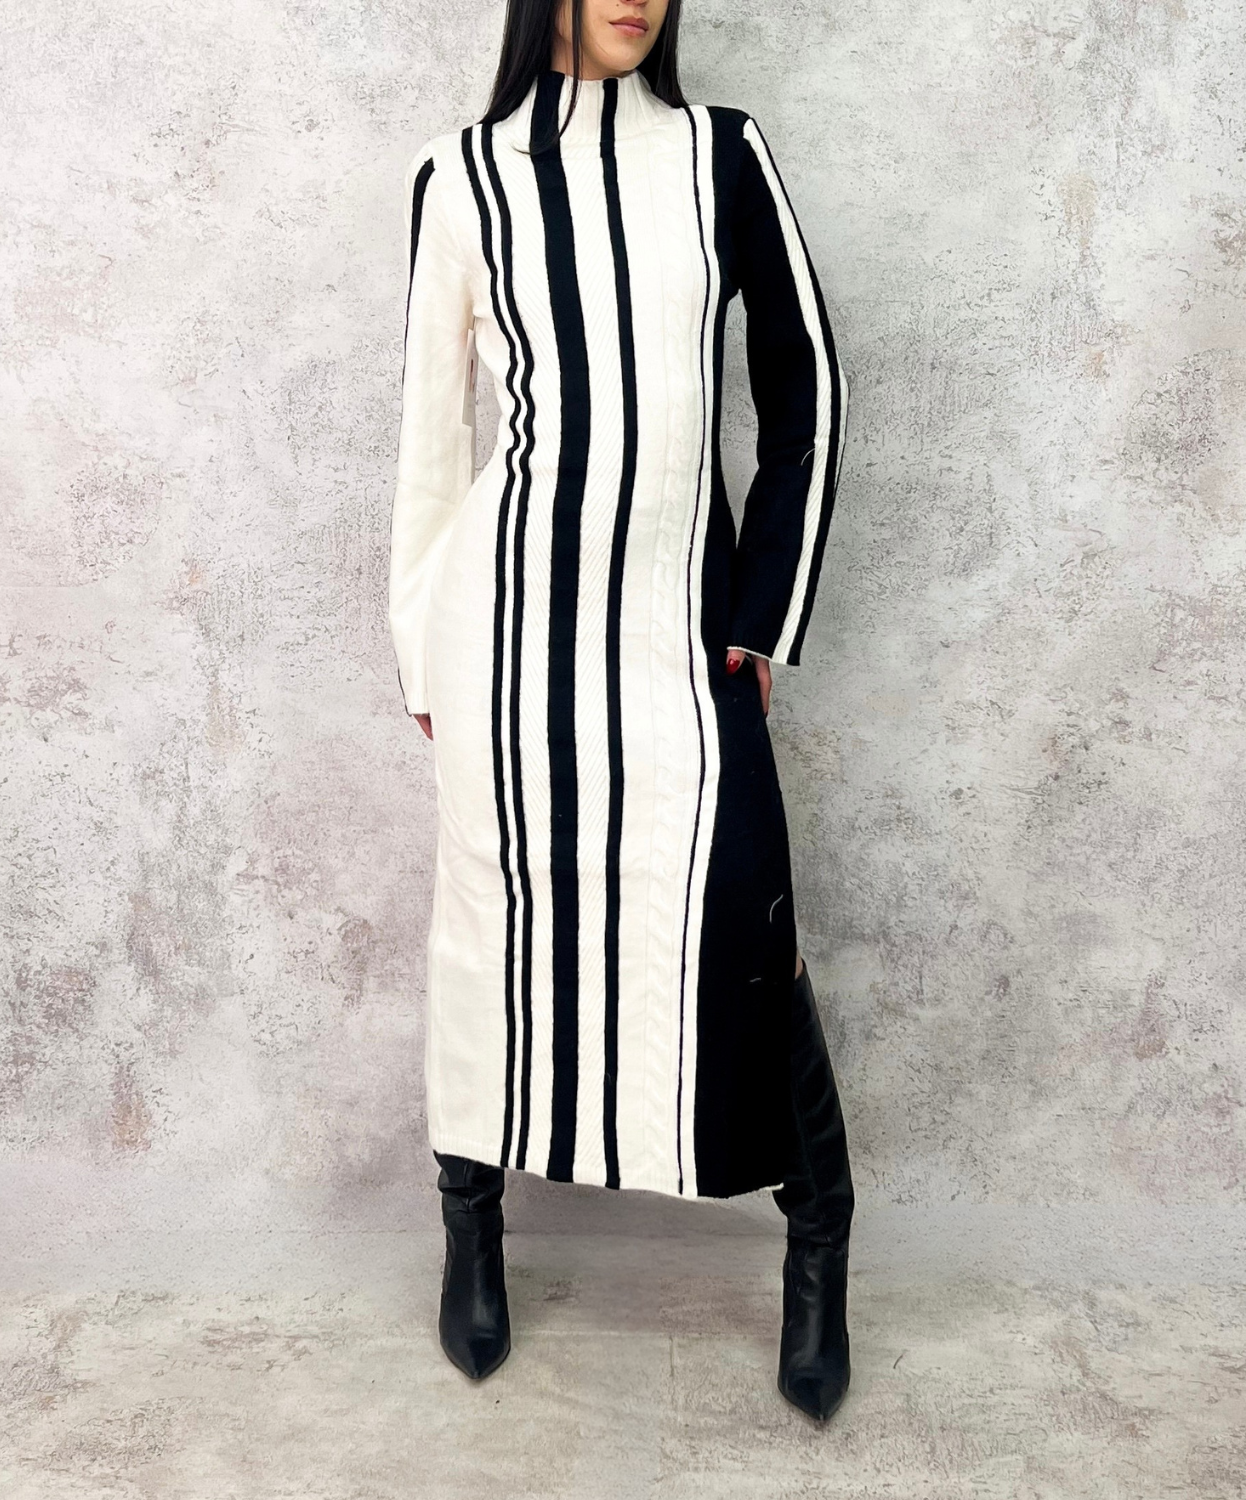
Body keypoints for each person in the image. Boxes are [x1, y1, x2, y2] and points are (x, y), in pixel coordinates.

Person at [387, 0, 854, 1421]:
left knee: (746, 925)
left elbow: (806, 382)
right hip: (506, 632)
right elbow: (432, 434)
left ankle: (820, 1245)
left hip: (680, 631)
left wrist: (759, 614)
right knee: (492, 919)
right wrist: (421, 650)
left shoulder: (721, 154)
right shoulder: (463, 176)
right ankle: (472, 1227)